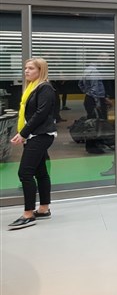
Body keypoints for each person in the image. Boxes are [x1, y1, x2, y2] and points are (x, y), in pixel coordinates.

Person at [8, 58, 56, 230]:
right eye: (25, 68)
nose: (26, 71)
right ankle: (44, 209)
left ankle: (28, 214)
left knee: (25, 173)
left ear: (40, 70)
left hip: (40, 135)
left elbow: (41, 114)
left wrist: (23, 133)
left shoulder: (45, 88)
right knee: (40, 172)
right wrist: (24, 133)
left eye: (31, 68)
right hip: (34, 135)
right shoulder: (33, 87)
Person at [79, 53, 110, 154]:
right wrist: (98, 102)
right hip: (95, 100)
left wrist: (87, 92)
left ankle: (97, 143)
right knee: (94, 123)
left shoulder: (87, 70)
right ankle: (92, 146)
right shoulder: (94, 71)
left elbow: (80, 84)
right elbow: (95, 89)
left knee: (92, 123)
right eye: (106, 58)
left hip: (90, 98)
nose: (108, 60)